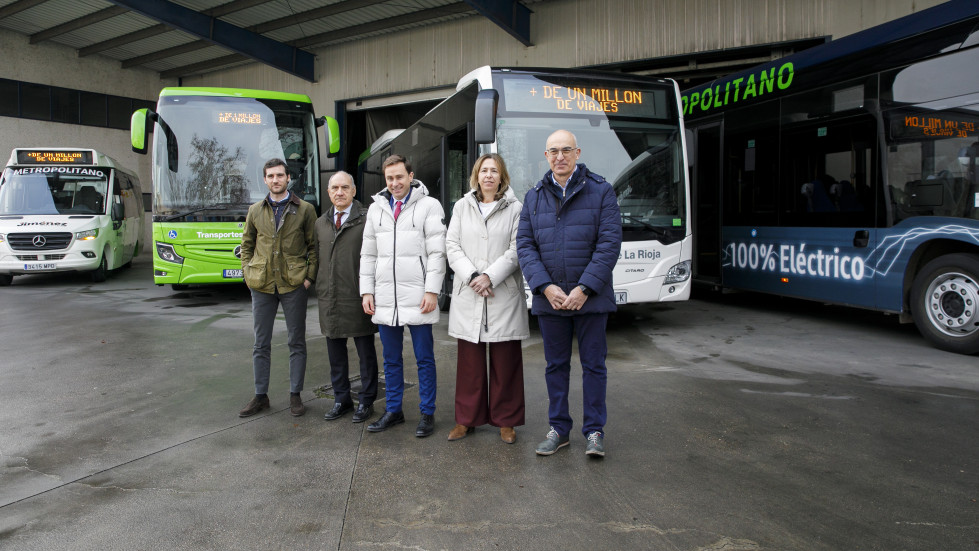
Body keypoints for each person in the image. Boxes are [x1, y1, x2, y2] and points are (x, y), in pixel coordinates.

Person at [516, 130, 622, 458]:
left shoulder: (601, 191)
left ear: (577, 152)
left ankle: (594, 432)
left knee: (594, 366)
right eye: (553, 151)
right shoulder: (534, 196)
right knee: (556, 366)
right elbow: (525, 244)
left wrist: (585, 288)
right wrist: (545, 287)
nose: (559, 157)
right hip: (552, 300)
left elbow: (609, 243)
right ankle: (559, 429)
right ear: (546, 157)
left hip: (591, 298)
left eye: (566, 150)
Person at [360, 154, 446, 437]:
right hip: (385, 297)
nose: (395, 183)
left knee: (424, 358)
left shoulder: (429, 206)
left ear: (411, 176)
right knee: (391, 359)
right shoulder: (376, 210)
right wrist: (367, 291)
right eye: (389, 178)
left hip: (419, 296)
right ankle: (393, 410)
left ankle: (427, 413)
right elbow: (368, 254)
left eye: (399, 177)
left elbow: (437, 252)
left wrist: (432, 290)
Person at [445, 154, 529, 444]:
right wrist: (473, 276)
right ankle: (466, 420)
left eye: (494, 170)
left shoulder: (516, 208)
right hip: (470, 292)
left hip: (501, 292)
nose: (489, 175)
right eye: (484, 170)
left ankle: (506, 422)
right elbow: (452, 245)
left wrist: (489, 277)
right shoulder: (462, 206)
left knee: (506, 363)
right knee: (470, 364)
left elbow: (518, 249)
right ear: (476, 176)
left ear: (502, 176)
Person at [238, 158, 318, 418]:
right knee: (261, 343)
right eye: (271, 176)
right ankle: (260, 396)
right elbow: (247, 245)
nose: (275, 180)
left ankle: (295, 395)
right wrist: (247, 275)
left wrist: (309, 279)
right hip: (261, 284)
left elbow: (314, 248)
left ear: (287, 178)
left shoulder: (305, 209)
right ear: (265, 179)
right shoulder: (255, 210)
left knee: (296, 342)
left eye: (280, 175)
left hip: (294, 284)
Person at [315, 171, 378, 423]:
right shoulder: (321, 223)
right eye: (334, 188)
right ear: (329, 192)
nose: (339, 192)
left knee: (366, 353)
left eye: (344, 187)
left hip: (358, 296)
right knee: (335, 355)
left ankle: (367, 400)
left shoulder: (367, 219)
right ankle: (341, 399)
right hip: (329, 298)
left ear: (354, 191)